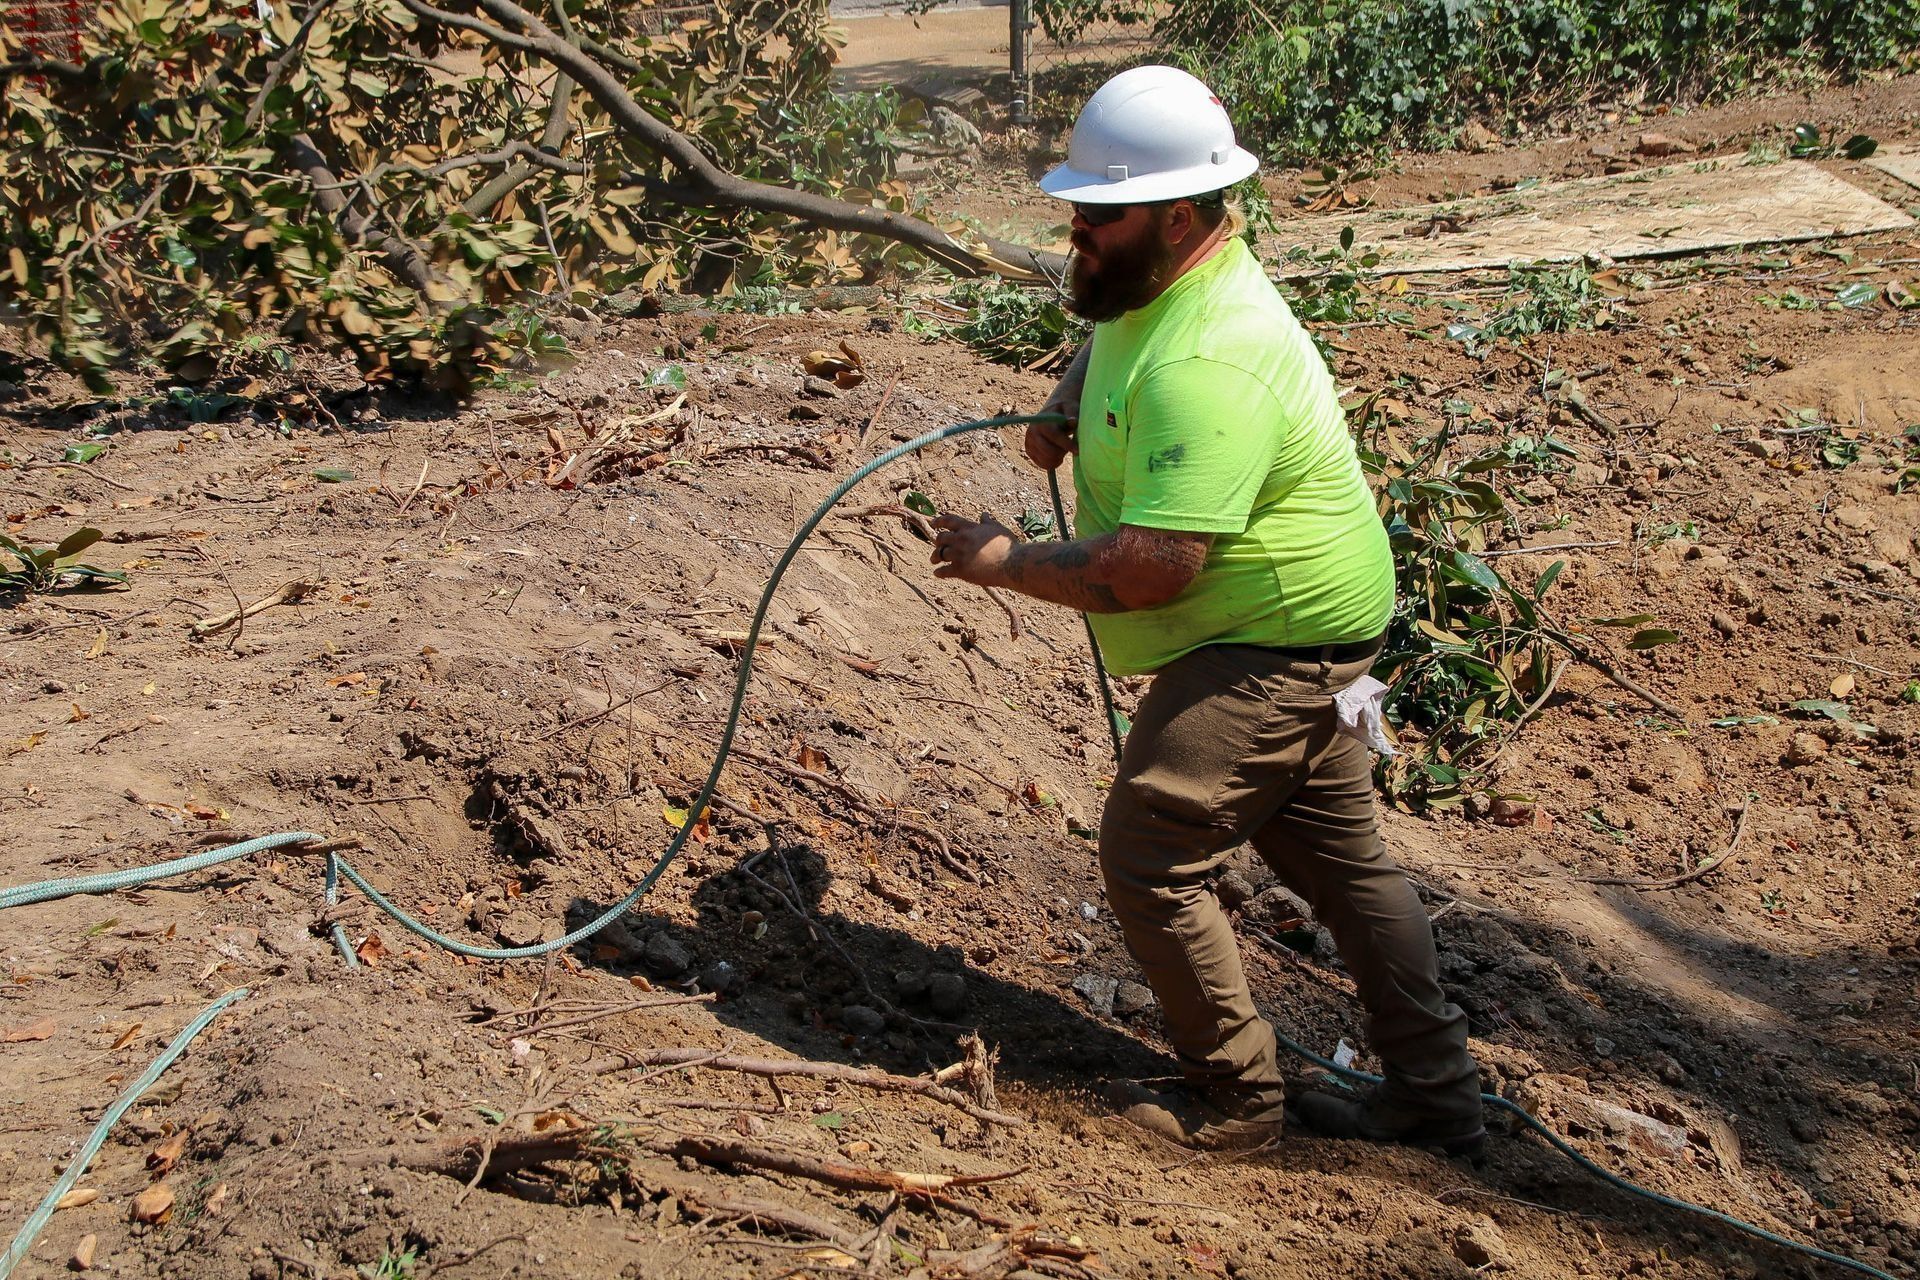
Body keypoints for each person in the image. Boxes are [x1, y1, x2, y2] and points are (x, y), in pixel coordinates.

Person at [928, 65, 1484, 1152]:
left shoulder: (1213, 359)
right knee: (1341, 861)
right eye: (1075, 212)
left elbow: (1148, 569)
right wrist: (1066, 396)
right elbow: (1119, 327)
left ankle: (1237, 1099)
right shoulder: (1174, 276)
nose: (1078, 235)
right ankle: (1435, 1091)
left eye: (1100, 216)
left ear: (1177, 214)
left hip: (1273, 639)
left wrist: (1006, 560)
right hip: (1319, 620)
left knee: (1147, 854)